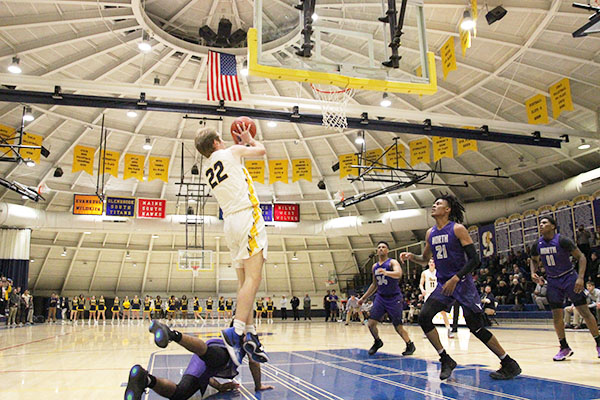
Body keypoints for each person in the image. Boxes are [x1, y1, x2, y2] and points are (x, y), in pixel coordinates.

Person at [400, 194, 521, 380]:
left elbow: (474, 260)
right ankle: (445, 359)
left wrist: (456, 278)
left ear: (447, 210)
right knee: (424, 317)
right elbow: (425, 259)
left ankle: (508, 362)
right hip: (443, 285)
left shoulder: (457, 229)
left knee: (476, 327)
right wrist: (411, 257)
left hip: (462, 284)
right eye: (433, 204)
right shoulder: (430, 233)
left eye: (438, 204)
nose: (434, 206)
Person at [195, 124, 268, 366]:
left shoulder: (207, 168)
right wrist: (249, 140)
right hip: (247, 216)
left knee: (243, 282)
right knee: (254, 279)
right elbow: (261, 151)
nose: (225, 141)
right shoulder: (230, 153)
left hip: (230, 223)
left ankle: (250, 334)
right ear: (216, 143)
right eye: (221, 139)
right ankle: (236, 332)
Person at [124, 320, 274, 400]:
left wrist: (219, 387)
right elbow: (254, 363)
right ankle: (172, 334)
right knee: (213, 355)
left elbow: (209, 373)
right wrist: (258, 385)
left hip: (204, 361)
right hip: (215, 352)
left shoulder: (234, 344)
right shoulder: (245, 341)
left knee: (180, 394)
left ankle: (145, 379)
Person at [530, 216, 600, 361]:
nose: (541, 225)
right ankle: (564, 347)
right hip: (553, 281)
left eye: (544, 223)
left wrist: (580, 278)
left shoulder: (563, 240)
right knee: (557, 316)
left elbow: (581, 257)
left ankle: (598, 344)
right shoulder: (537, 244)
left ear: (553, 226)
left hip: (569, 277)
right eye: (540, 223)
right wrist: (533, 272)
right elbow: (534, 260)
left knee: (584, 311)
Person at [359, 241, 416, 357]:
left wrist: (386, 272)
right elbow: (374, 284)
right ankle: (377, 341)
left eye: (383, 247)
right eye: (379, 247)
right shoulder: (375, 266)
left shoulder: (392, 262)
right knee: (371, 323)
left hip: (394, 297)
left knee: (398, 326)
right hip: (380, 297)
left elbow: (399, 274)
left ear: (387, 250)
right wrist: (363, 298)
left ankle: (409, 344)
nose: (381, 249)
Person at [419, 258, 453, 338]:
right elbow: (421, 284)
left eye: (433, 262)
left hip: (438, 294)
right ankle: (426, 331)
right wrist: (422, 290)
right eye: (430, 262)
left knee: (443, 313)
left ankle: (449, 330)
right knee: (427, 314)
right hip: (428, 295)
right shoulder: (424, 273)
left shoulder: (438, 272)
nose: (431, 263)